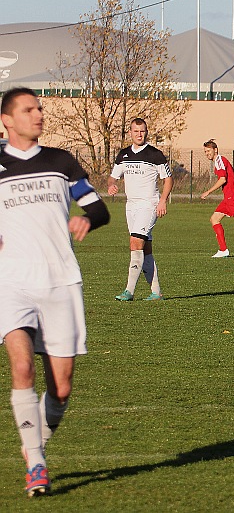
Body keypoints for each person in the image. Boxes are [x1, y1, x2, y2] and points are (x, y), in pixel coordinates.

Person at [0, 87, 110, 497]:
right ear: (7, 120)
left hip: (61, 282)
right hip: (12, 282)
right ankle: (37, 465)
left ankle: (35, 447)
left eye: (40, 108)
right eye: (29, 109)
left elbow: (98, 207)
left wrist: (87, 221)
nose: (39, 114)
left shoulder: (60, 162)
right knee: (22, 368)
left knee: (61, 388)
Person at [107, 118, 172, 301]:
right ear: (130, 132)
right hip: (131, 206)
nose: (139, 134)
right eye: (136, 131)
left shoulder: (155, 155)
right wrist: (111, 185)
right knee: (146, 249)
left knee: (135, 243)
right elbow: (113, 177)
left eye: (142, 131)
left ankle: (129, 291)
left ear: (146, 132)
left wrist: (162, 201)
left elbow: (168, 179)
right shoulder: (124, 154)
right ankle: (156, 292)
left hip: (148, 204)